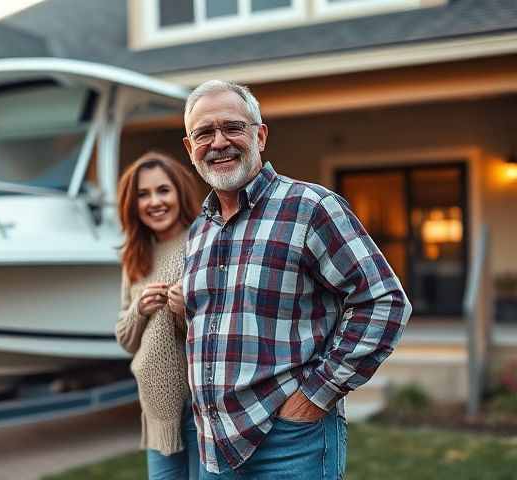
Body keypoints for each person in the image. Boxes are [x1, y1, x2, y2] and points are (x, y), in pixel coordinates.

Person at [181, 80, 412, 479]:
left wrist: (314, 396)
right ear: (190, 148)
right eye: (204, 132)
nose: (218, 142)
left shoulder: (310, 207)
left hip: (290, 441)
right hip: (214, 449)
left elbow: (383, 301)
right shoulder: (199, 231)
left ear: (260, 135)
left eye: (232, 127)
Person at [115, 151, 203, 480]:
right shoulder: (135, 257)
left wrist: (183, 311)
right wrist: (139, 310)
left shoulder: (201, 241)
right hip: (155, 410)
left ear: (179, 191)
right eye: (143, 194)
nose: (154, 201)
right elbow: (126, 340)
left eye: (163, 190)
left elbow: (219, 328)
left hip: (200, 407)